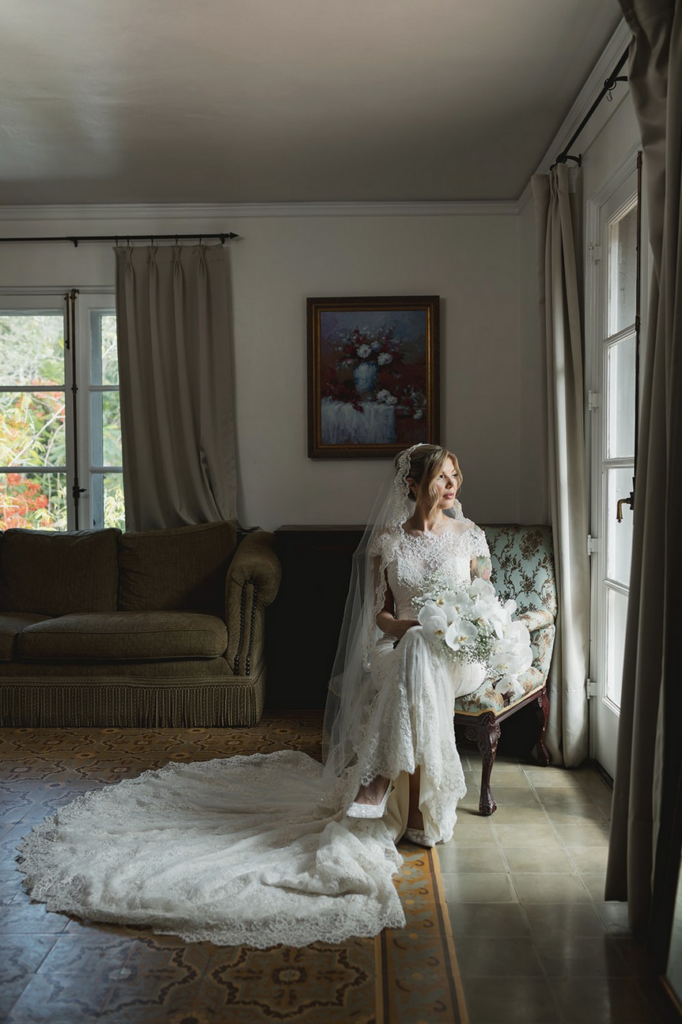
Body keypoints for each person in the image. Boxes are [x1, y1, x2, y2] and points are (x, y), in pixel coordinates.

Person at [16, 444, 497, 948]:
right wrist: (406, 625)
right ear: (413, 485)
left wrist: (447, 630)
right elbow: (379, 615)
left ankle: (378, 783)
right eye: (443, 478)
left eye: (455, 477)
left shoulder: (470, 536)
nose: (452, 487)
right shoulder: (389, 541)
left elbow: (484, 603)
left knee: (420, 651)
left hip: (459, 654)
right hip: (402, 646)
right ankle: (419, 811)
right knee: (411, 653)